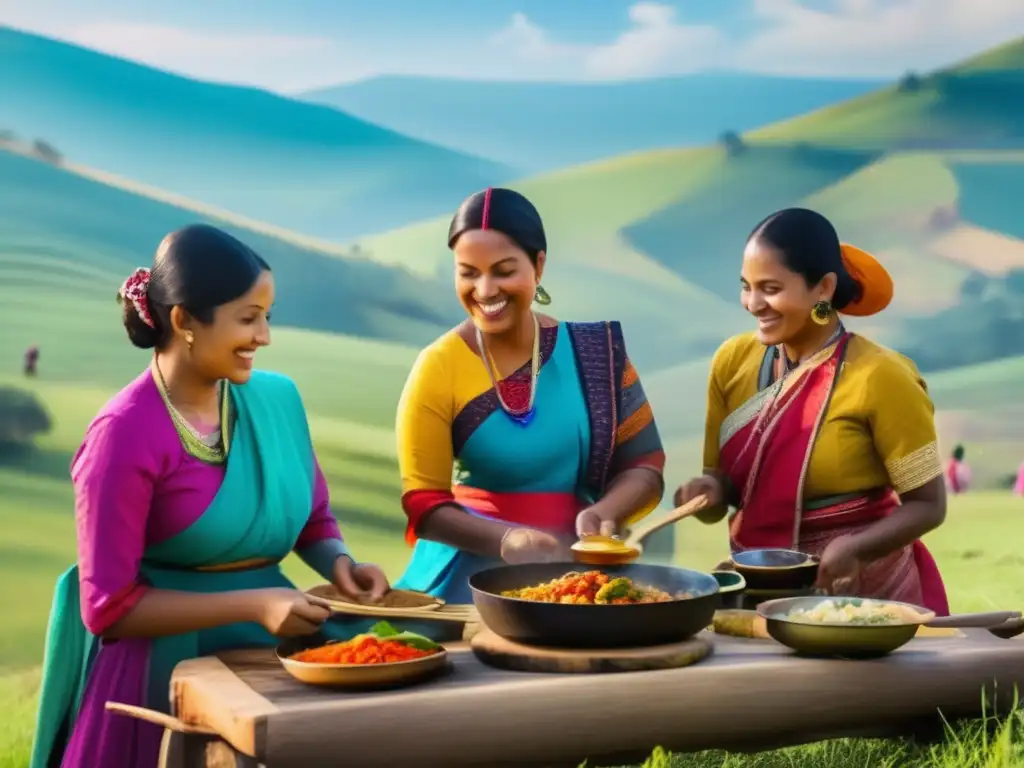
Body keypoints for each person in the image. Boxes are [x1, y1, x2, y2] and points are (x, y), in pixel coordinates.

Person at [31, 224, 390, 768]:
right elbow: (109, 608)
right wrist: (255, 603)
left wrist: (341, 563)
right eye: (247, 318)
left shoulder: (277, 399)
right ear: (184, 321)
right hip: (164, 666)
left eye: (268, 316)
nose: (264, 336)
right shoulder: (123, 434)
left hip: (281, 650)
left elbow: (313, 516)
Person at [394, 187, 666, 603]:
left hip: (580, 572)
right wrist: (508, 542)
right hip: (467, 580)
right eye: (468, 272)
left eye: (503, 271)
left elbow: (645, 464)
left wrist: (604, 513)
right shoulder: (437, 365)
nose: (484, 290)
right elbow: (424, 504)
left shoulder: (594, 353)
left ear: (538, 266)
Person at [674, 208, 949, 615]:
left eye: (770, 288)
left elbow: (928, 504)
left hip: (863, 595)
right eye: (746, 287)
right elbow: (728, 488)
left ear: (823, 287)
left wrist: (857, 549)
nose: (753, 304)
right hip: (761, 590)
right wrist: (708, 495)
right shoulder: (732, 362)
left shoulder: (881, 376)